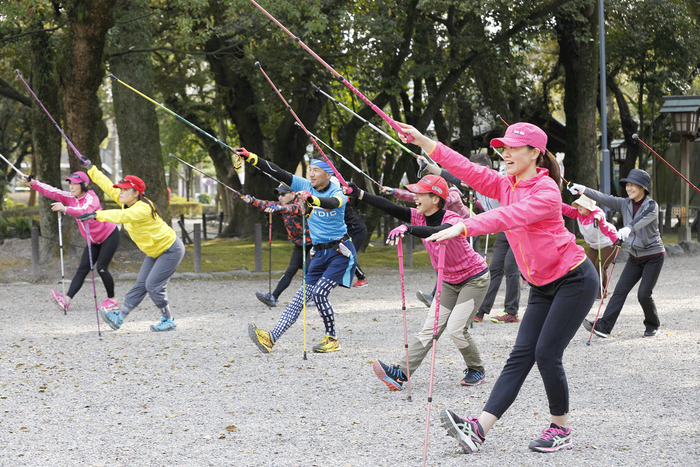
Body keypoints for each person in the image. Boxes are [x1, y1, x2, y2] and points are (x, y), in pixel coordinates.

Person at [397, 121, 598, 453]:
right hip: (542, 285)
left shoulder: (546, 192)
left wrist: (462, 226)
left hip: (575, 279)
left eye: (512, 148)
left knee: (546, 353)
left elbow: (508, 218)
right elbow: (466, 169)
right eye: (502, 148)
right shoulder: (506, 183)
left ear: (535, 153)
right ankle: (478, 430)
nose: (504, 153)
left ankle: (560, 428)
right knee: (520, 356)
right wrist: (424, 141)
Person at [346, 175, 491, 388]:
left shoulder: (452, 218)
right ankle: (400, 374)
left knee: (456, 329)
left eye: (420, 194)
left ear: (435, 199)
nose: (415, 197)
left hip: (474, 278)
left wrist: (408, 229)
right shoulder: (419, 216)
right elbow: (390, 207)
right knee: (429, 329)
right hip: (448, 281)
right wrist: (359, 193)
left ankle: (477, 370)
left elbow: (437, 232)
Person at [239, 149, 357, 354]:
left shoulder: (337, 190)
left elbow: (335, 203)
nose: (311, 174)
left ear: (328, 174)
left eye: (316, 170)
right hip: (319, 254)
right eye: (310, 169)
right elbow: (279, 173)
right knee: (298, 299)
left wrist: (312, 200)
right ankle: (270, 338)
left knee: (319, 294)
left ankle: (332, 338)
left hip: (340, 252)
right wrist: (251, 157)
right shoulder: (304, 185)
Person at [76, 159, 185, 332]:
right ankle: (119, 318)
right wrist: (91, 168)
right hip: (154, 251)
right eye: (121, 188)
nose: (120, 191)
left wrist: (96, 214)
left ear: (135, 193)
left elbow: (121, 217)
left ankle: (168, 318)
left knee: (153, 286)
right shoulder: (127, 202)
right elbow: (107, 185)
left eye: (125, 189)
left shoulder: (141, 209)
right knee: (140, 284)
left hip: (170, 249)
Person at [569, 169, 664, 338]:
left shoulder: (651, 206)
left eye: (632, 185)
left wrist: (628, 228)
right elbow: (603, 197)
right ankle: (604, 326)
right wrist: (583, 189)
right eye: (627, 185)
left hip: (653, 257)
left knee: (643, 294)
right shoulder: (624, 203)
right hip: (635, 256)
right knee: (619, 291)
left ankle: (652, 324)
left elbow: (640, 220)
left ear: (642, 187)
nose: (628, 188)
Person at [22, 172, 120, 313]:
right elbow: (53, 191)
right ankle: (66, 300)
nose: (72, 187)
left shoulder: (91, 198)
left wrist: (65, 209)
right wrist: (33, 183)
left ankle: (113, 301)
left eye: (75, 184)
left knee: (102, 268)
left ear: (84, 185)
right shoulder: (71, 197)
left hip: (109, 235)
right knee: (82, 269)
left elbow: (84, 211)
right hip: (93, 240)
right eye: (70, 184)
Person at [380, 165, 470, 307]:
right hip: (443, 227)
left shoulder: (453, 193)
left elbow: (442, 200)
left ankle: (443, 296)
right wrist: (393, 191)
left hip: (462, 228)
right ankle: (436, 296)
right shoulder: (434, 198)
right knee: (441, 259)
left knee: (452, 261)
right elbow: (416, 197)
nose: (418, 195)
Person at [237, 184, 312, 307]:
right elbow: (266, 204)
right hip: (299, 244)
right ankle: (273, 297)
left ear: (293, 194)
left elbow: (293, 208)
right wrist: (251, 200)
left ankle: (313, 298)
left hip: (313, 243)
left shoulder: (302, 203)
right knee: (290, 271)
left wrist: (278, 208)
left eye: (282, 194)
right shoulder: (282, 205)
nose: (280, 197)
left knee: (310, 271)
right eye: (278, 195)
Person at [468, 153, 522, 323]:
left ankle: (511, 312)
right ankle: (482, 310)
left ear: (488, 170)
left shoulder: (498, 181)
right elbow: (449, 175)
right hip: (504, 230)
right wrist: (428, 165)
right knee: (495, 268)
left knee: (511, 267)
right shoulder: (475, 183)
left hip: (519, 229)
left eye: (477, 168)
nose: (473, 172)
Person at [561, 194, 619, 299]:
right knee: (589, 267)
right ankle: (593, 290)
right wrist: (555, 203)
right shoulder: (578, 214)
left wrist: (597, 218)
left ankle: (601, 292)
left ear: (589, 207)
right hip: (594, 245)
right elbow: (566, 209)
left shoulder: (596, 214)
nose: (579, 207)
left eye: (583, 205)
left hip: (609, 243)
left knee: (599, 266)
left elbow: (600, 216)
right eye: (579, 204)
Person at [344, 202, 369, 287]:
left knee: (349, 255)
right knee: (340, 253)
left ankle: (362, 278)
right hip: (348, 232)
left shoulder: (339, 200)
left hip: (358, 231)